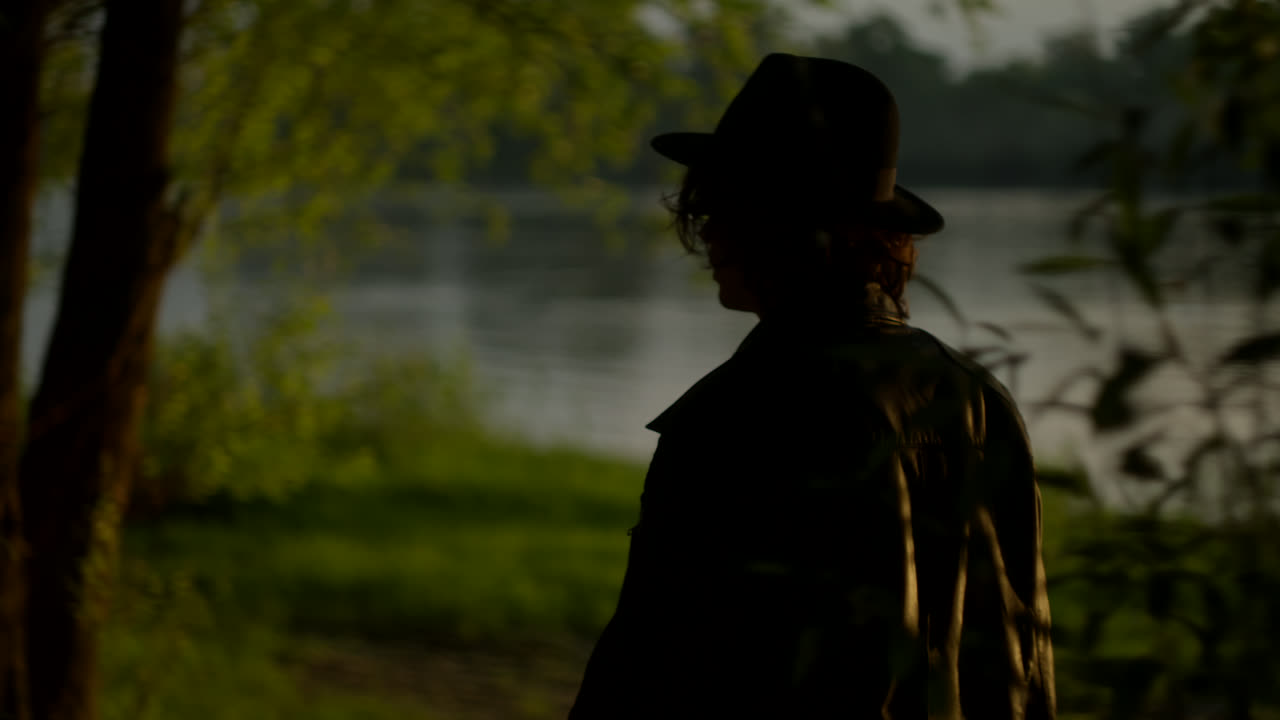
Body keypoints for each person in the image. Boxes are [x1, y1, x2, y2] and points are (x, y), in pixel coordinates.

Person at [568, 53, 1056, 719]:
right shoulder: (974, 395)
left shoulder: (746, 412)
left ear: (786, 222)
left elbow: (659, 660)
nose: (706, 229)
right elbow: (1022, 655)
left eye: (723, 204)